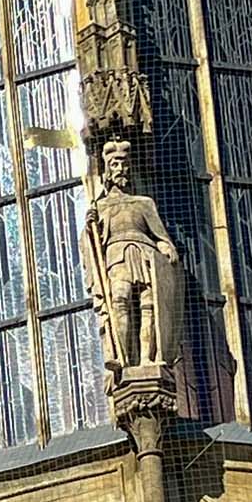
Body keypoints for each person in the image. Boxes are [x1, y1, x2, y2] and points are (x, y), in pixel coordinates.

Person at [80, 139, 181, 383]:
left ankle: (148, 358)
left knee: (149, 304)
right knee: (119, 300)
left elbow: (160, 235)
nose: (121, 169)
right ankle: (122, 357)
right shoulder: (100, 206)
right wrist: (90, 227)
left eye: (124, 164)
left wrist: (166, 246)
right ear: (107, 170)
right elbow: (92, 244)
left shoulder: (144, 203)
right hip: (116, 256)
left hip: (145, 254)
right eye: (115, 164)